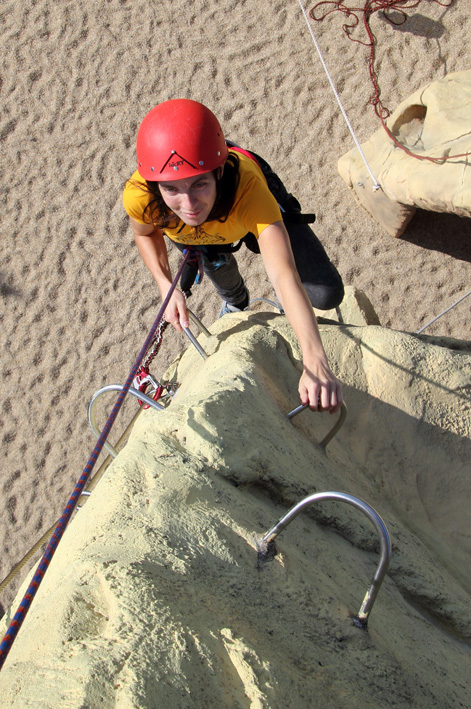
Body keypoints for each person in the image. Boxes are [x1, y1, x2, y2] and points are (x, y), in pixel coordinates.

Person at [123, 98, 344, 413]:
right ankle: (235, 301)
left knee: (325, 293)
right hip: (199, 235)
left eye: (199, 184)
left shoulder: (248, 190)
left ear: (219, 173)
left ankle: (287, 312)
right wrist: (165, 285)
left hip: (239, 208)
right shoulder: (141, 195)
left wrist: (315, 361)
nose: (188, 205)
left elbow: (282, 274)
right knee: (216, 262)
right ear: (154, 185)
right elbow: (145, 233)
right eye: (171, 190)